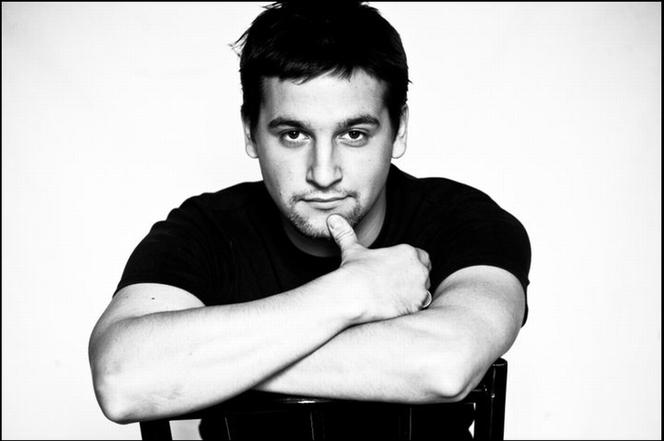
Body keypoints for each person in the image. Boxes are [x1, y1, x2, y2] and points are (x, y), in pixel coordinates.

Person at [89, 2, 531, 439]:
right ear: (250, 131)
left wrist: (214, 364)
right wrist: (351, 293)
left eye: (354, 134)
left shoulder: (461, 218)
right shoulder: (207, 229)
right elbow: (123, 379)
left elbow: (444, 364)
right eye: (293, 134)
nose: (323, 173)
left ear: (399, 130)